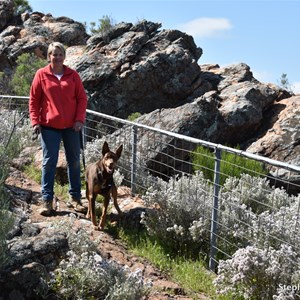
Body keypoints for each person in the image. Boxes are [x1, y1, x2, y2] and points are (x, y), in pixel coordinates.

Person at [29, 42, 88, 216]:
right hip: (49, 128)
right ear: (49, 56)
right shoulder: (41, 75)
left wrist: (79, 120)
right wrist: (35, 121)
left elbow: (82, 99)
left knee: (74, 162)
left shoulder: (73, 75)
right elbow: (33, 100)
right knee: (49, 163)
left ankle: (75, 199)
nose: (57, 57)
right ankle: (47, 200)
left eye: (60, 54)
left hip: (72, 127)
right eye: (54, 54)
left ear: (64, 56)